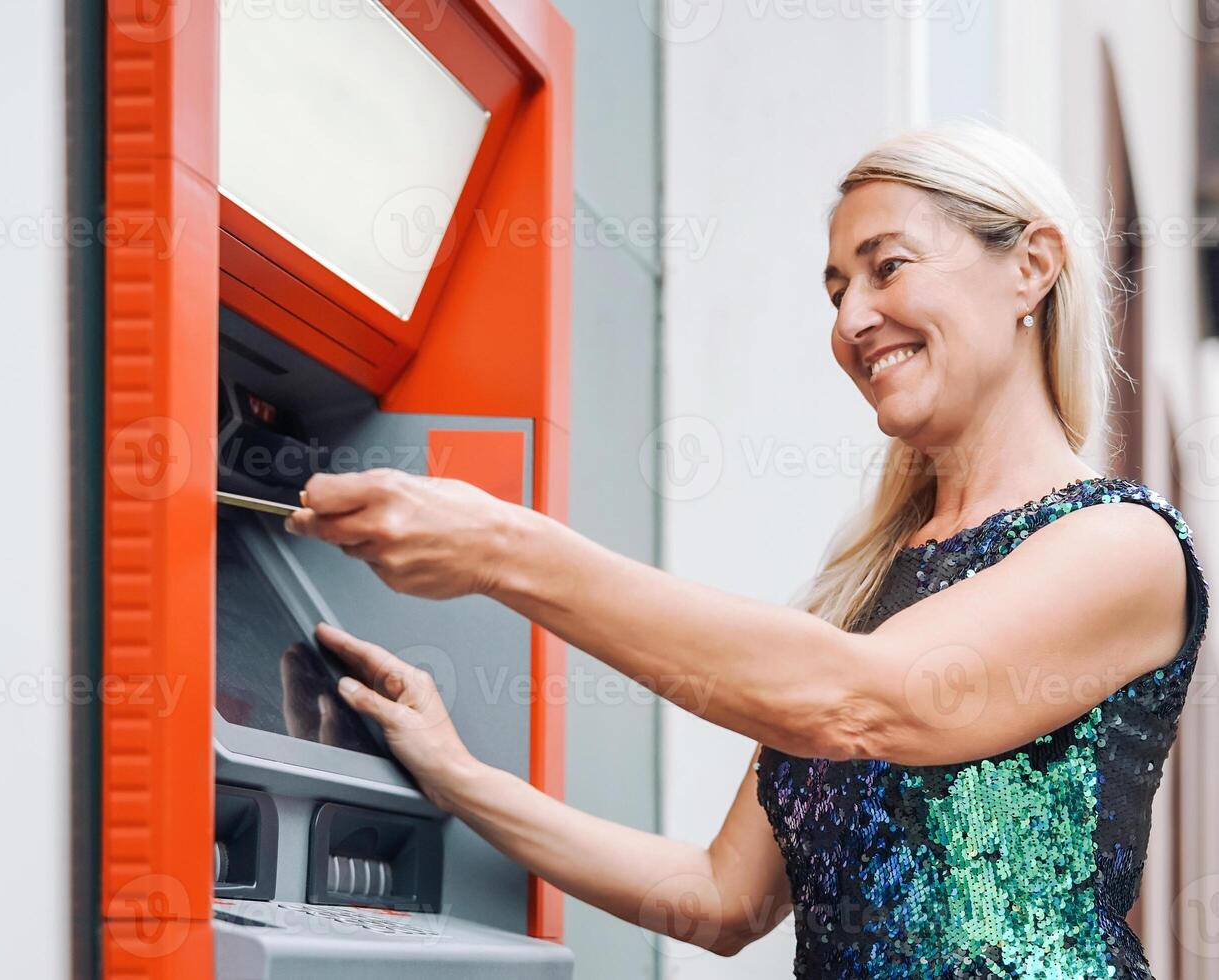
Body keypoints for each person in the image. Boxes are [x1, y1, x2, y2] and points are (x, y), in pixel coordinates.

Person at [283, 119, 1210, 978]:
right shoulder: (861, 597)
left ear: (1032, 267)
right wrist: (456, 775)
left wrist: (501, 548)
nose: (851, 323)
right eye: (838, 291)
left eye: (887, 267)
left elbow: (863, 700)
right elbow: (722, 899)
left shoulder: (1121, 545)